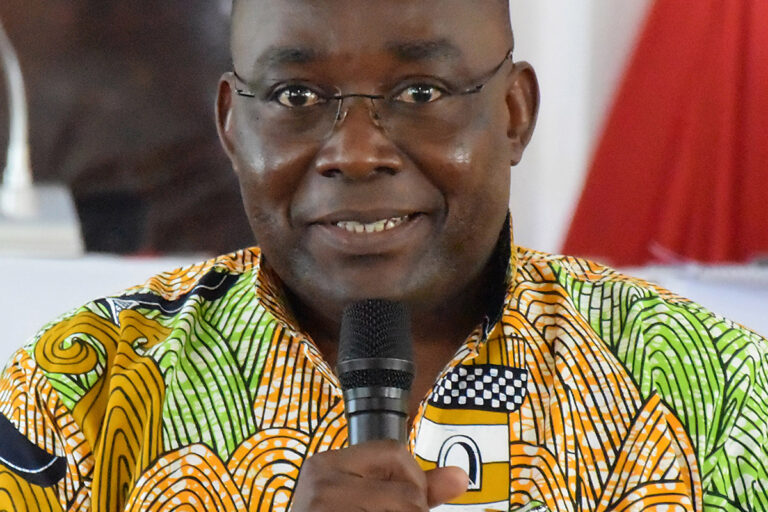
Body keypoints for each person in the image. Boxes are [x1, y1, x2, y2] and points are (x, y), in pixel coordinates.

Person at [1, 0, 766, 510]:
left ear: (513, 113)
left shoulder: (725, 393)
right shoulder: (75, 391)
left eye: (420, 93)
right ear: (234, 126)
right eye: (297, 96)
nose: (357, 152)